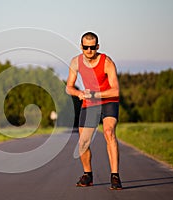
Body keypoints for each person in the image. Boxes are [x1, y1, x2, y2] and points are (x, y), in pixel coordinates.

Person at [66, 32, 122, 190]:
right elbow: (68, 87)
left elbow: (115, 91)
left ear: (97, 47)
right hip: (90, 103)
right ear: (81, 46)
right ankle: (87, 175)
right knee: (83, 142)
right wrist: (79, 93)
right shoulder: (76, 62)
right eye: (86, 47)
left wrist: (95, 94)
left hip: (108, 101)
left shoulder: (107, 62)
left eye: (92, 47)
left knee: (109, 132)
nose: (89, 50)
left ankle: (115, 176)